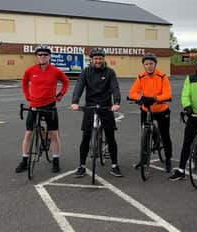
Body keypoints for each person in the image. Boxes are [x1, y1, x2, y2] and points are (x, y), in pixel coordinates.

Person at [16, 44, 70, 174]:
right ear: (36, 56)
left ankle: (56, 160)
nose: (42, 57)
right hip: (34, 105)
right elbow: (24, 82)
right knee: (28, 133)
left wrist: (61, 94)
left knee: (54, 134)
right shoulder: (30, 70)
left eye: (45, 54)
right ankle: (24, 160)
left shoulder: (56, 71)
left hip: (50, 105)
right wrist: (27, 95)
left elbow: (66, 81)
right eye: (40, 54)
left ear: (49, 56)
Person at [71, 48, 123, 177]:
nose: (98, 61)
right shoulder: (86, 72)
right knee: (86, 137)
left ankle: (115, 165)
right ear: (92, 59)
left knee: (110, 136)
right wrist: (75, 102)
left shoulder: (110, 72)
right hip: (90, 106)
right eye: (96, 58)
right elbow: (79, 86)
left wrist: (116, 102)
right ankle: (82, 166)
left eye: (100, 58)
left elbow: (114, 87)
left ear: (103, 59)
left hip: (106, 107)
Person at [128, 53, 173, 173]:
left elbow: (167, 94)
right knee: (145, 134)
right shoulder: (141, 77)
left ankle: (168, 159)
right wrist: (140, 98)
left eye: (151, 64)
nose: (149, 66)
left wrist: (156, 98)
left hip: (161, 109)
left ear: (155, 64)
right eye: (146, 64)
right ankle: (143, 159)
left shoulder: (162, 76)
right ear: (143, 65)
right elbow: (132, 92)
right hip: (146, 109)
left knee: (165, 135)